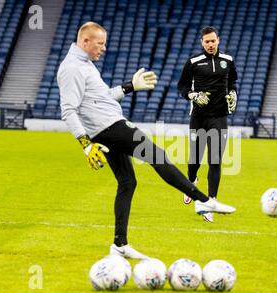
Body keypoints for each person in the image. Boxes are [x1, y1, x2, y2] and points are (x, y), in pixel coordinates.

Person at [57, 22, 235, 260]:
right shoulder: (72, 69)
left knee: (127, 182)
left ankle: (120, 244)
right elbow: (68, 110)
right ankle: (204, 201)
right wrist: (86, 144)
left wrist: (131, 86)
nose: (104, 48)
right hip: (110, 128)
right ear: (85, 42)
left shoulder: (84, 65)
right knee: (157, 156)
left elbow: (103, 97)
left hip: (106, 128)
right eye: (100, 43)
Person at [177, 26, 238, 221]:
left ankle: (210, 202)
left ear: (218, 40)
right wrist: (192, 95)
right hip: (199, 117)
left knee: (215, 160)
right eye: (207, 42)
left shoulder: (228, 61)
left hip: (219, 116)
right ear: (202, 43)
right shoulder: (193, 62)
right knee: (195, 159)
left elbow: (233, 83)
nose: (210, 44)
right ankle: (192, 181)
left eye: (213, 41)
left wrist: (234, 94)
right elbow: (182, 86)